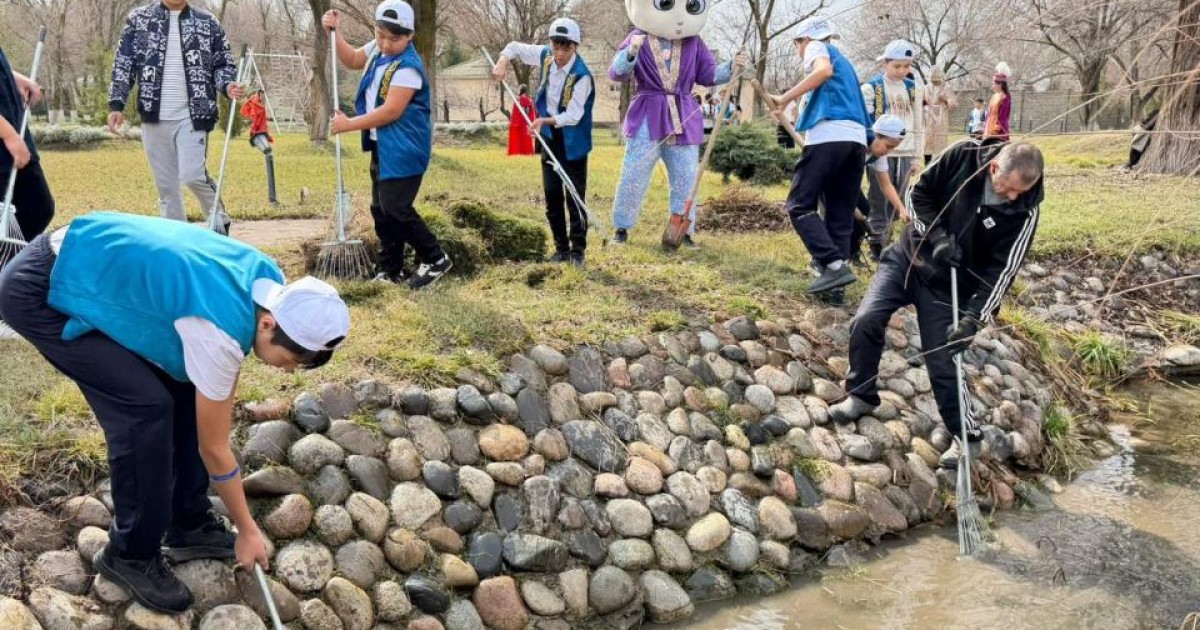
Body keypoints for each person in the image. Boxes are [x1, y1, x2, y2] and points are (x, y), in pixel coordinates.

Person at [0, 212, 351, 613]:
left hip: (92, 261)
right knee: (145, 409)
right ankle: (130, 554)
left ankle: (187, 521)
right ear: (269, 323)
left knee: (185, 390)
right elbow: (215, 449)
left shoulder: (267, 281)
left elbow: (211, 397)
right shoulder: (218, 328)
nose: (289, 370)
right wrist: (247, 530)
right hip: (43, 286)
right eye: (290, 358)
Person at [828, 140, 1044, 468]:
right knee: (866, 319)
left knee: (943, 359)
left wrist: (973, 320)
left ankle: (966, 437)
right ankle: (860, 394)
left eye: (1019, 191)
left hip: (948, 287)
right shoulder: (963, 155)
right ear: (994, 167)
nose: (1011, 196)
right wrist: (938, 237)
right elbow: (917, 195)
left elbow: (1003, 272)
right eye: (1007, 187)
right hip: (908, 258)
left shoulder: (1025, 210)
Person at [324, 1, 453, 289]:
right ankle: (390, 268)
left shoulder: (409, 67)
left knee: (396, 207)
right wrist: (334, 33)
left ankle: (435, 257)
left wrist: (348, 124)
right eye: (380, 35)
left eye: (394, 39)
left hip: (405, 148)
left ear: (409, 36)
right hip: (382, 145)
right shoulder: (377, 48)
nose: (385, 44)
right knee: (380, 209)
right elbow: (354, 60)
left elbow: (391, 111)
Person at [608, 0, 746, 248]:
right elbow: (617, 74)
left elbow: (708, 75)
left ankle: (684, 229)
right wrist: (630, 53)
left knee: (685, 177)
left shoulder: (694, 42)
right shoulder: (637, 37)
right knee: (634, 172)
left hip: (684, 115)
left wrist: (732, 66)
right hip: (646, 115)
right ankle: (622, 227)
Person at [108, 0, 242, 233]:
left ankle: (219, 218)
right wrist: (116, 103)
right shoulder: (139, 19)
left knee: (192, 174)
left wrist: (228, 85)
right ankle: (176, 239)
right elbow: (124, 62)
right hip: (154, 114)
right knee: (166, 187)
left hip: (193, 114)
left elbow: (222, 63)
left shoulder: (207, 22)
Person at [767, 17, 872, 298]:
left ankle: (833, 264)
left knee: (799, 205)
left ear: (803, 41)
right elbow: (857, 110)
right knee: (839, 215)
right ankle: (834, 290)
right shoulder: (848, 68)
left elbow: (822, 72)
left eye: (797, 45)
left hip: (829, 137)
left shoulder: (816, 47)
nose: (800, 50)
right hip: (855, 142)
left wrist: (785, 97)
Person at [494, 18, 596, 266]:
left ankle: (577, 252)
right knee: (552, 194)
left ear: (576, 47)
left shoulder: (582, 76)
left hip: (572, 140)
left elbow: (573, 116)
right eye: (555, 47)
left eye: (566, 48)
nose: (559, 54)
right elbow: (516, 47)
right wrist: (502, 61)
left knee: (574, 195)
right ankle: (560, 248)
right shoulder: (545, 56)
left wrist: (543, 121)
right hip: (549, 137)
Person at [861, 39, 924, 260]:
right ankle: (875, 244)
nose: (902, 71)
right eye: (897, 66)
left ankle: (889, 244)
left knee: (901, 199)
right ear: (885, 64)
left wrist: (917, 155)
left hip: (905, 152)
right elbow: (866, 124)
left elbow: (918, 122)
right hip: (881, 151)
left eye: (907, 66)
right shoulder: (872, 88)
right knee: (879, 199)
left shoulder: (913, 88)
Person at [922, 67, 957, 164]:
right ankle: (927, 165)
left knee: (940, 142)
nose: (934, 82)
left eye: (936, 79)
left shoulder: (947, 87)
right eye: (932, 80)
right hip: (928, 118)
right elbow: (922, 102)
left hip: (941, 120)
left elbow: (953, 104)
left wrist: (944, 100)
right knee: (927, 142)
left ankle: (940, 164)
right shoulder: (926, 87)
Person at [983, 63, 1012, 141]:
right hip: (989, 127)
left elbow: (1003, 116)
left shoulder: (1005, 97)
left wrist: (996, 129)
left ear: (1000, 84)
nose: (993, 86)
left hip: (1000, 129)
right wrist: (986, 126)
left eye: (994, 84)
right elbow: (989, 114)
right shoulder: (994, 96)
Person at [507, 85, 536, 156]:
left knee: (519, 138)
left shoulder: (517, 100)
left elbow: (516, 112)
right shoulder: (528, 100)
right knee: (525, 138)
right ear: (526, 91)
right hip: (525, 122)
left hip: (518, 122)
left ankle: (517, 152)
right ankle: (526, 152)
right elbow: (529, 112)